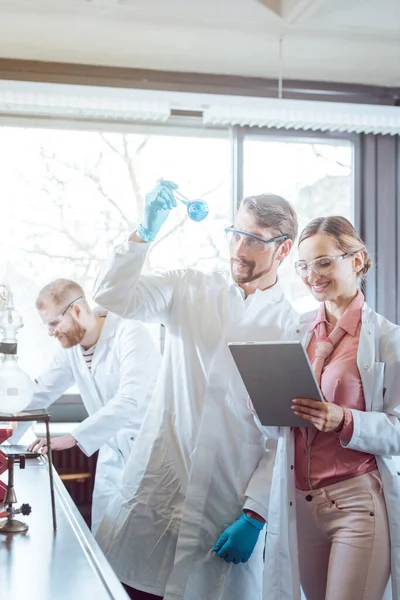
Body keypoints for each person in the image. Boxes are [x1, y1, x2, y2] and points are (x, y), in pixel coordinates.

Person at [93, 180, 298, 600]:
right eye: (236, 235)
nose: (239, 250)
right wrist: (143, 232)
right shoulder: (188, 287)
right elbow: (113, 294)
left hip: (225, 505)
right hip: (158, 487)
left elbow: (283, 437)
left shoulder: (290, 327)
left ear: (284, 249)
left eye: (255, 241)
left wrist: (256, 513)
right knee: (133, 587)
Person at [260, 216, 400, 600]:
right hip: (301, 504)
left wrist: (346, 419)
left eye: (324, 262)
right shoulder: (297, 330)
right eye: (303, 266)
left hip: (357, 502)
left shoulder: (389, 340)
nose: (312, 276)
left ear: (357, 260)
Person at [9, 278, 161, 534]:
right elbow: (40, 394)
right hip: (113, 457)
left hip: (150, 457)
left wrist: (72, 437)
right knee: (106, 544)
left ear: (77, 310)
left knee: (144, 550)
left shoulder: (129, 332)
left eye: (54, 323)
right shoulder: (71, 350)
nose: (50, 332)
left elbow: (130, 400)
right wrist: (5, 439)